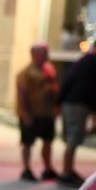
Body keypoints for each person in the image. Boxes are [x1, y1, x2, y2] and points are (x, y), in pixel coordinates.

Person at [57, 40, 96, 187]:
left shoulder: (83, 61)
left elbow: (68, 80)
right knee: (73, 139)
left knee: (73, 138)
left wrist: (60, 101)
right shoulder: (95, 60)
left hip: (71, 103)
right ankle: (66, 172)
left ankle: (68, 170)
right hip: (77, 105)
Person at [15, 43, 60, 182]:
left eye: (47, 52)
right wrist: (26, 114)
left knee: (48, 141)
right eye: (44, 52)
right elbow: (22, 95)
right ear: (34, 54)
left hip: (47, 114)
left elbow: (55, 90)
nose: (47, 55)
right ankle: (27, 168)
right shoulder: (25, 73)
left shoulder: (49, 70)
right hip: (32, 114)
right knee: (28, 142)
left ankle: (48, 168)